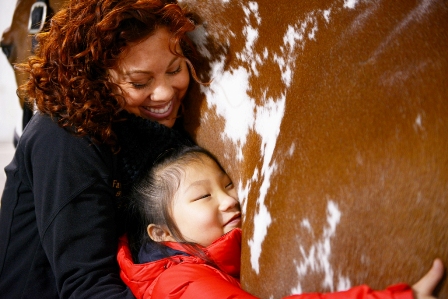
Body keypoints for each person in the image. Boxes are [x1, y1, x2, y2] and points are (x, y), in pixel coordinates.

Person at [0, 0, 202, 298]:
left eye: (174, 70)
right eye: (140, 81)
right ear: (97, 80)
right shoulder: (65, 138)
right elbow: (86, 285)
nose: (165, 93)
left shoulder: (148, 129)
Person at [117, 145, 445, 299]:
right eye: (203, 197)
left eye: (228, 184)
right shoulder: (180, 284)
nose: (229, 199)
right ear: (160, 232)